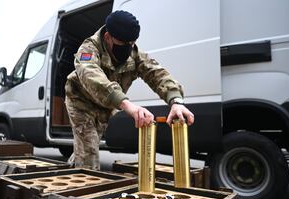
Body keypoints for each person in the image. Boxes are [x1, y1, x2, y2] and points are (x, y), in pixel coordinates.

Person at [65, 10, 194, 170]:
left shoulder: (134, 54)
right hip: (81, 102)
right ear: (107, 37)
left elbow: (157, 74)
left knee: (90, 143)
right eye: (123, 44)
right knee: (89, 148)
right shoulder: (88, 49)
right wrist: (127, 105)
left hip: (105, 107)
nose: (128, 48)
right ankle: (81, 190)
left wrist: (176, 101)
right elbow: (91, 75)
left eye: (131, 43)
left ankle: (74, 165)